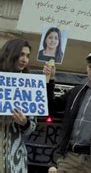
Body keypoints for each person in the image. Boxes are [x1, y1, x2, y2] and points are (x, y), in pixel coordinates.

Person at [0, 39, 37, 173]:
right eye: (21, 54)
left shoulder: (28, 84)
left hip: (14, 161)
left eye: (27, 56)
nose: (24, 59)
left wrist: (25, 122)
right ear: (10, 53)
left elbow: (32, 126)